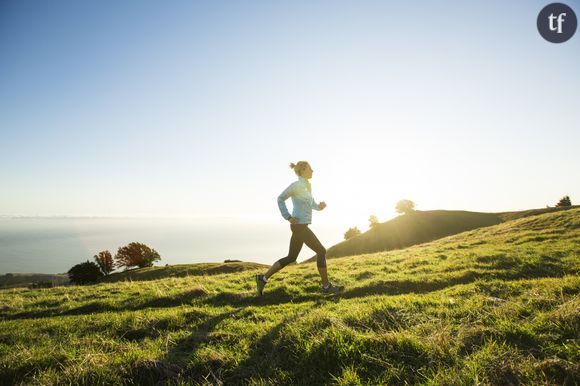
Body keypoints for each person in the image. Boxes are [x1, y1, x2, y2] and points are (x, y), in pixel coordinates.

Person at [256, 161, 344, 295]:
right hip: (299, 227)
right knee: (321, 251)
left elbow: (311, 204)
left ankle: (262, 278)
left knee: (291, 257)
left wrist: (319, 207)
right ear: (303, 170)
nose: (313, 171)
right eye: (310, 168)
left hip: (301, 226)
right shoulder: (296, 185)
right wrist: (288, 216)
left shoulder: (307, 186)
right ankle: (326, 287)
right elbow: (280, 198)